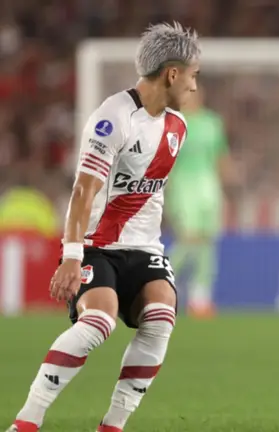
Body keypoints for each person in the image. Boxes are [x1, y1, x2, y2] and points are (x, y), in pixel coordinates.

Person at [6, 22, 200, 432]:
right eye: (193, 76)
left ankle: (112, 426)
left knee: (161, 315)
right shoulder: (112, 117)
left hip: (145, 249)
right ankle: (27, 422)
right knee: (98, 323)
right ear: (172, 74)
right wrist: (71, 256)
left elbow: (150, 194)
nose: (195, 87)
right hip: (96, 246)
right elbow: (83, 191)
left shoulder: (177, 128)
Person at [166, 87, 234, 318]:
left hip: (209, 187)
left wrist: (228, 186)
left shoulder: (212, 123)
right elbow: (166, 159)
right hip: (183, 187)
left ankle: (200, 298)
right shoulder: (173, 124)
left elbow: (220, 155)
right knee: (189, 239)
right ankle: (157, 284)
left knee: (207, 241)